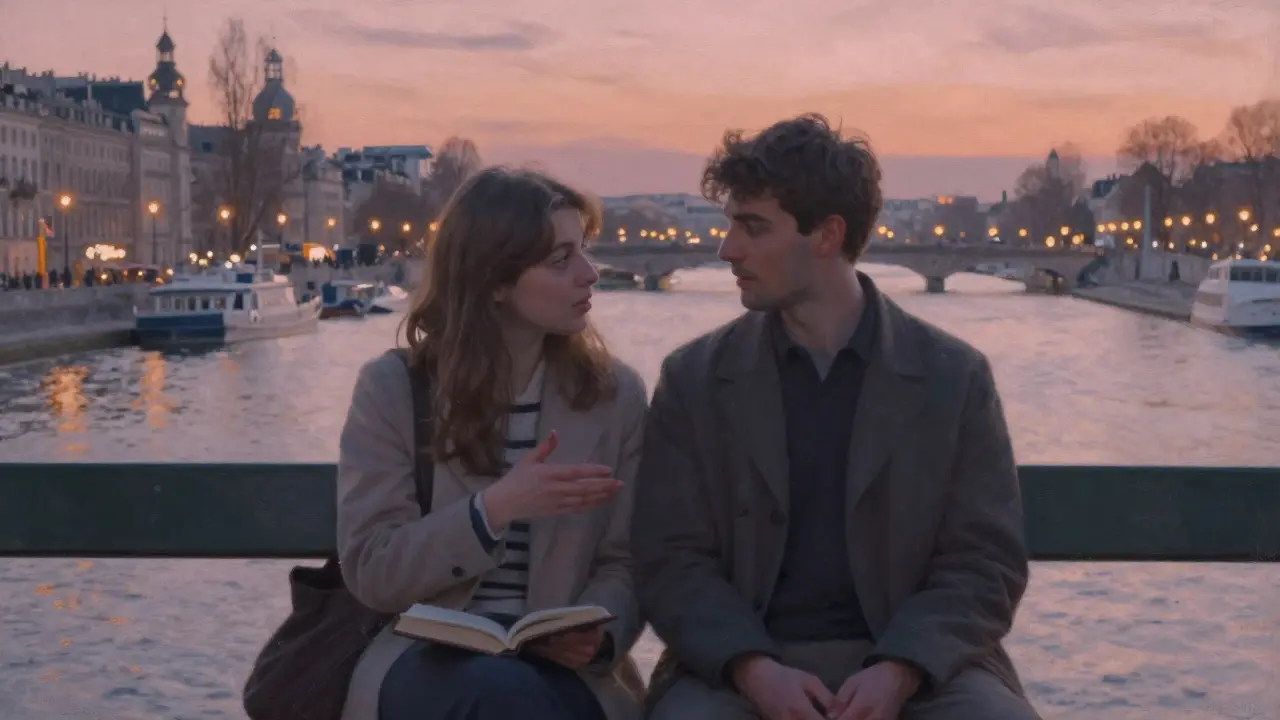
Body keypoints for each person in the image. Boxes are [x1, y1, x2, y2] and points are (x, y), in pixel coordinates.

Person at [631, 114, 1040, 720]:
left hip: (921, 665)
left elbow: (985, 563)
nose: (727, 249)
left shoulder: (955, 379)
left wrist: (900, 669)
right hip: (738, 667)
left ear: (826, 236)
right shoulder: (692, 380)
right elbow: (671, 561)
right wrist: (754, 669)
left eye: (752, 227)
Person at [336, 167, 649, 720]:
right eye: (561, 259)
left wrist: (598, 635)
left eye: (585, 251)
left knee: (519, 699)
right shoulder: (394, 389)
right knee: (500, 697)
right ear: (494, 281)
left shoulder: (614, 396)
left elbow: (627, 559)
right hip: (427, 653)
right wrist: (494, 510)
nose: (590, 274)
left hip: (565, 665)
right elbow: (373, 569)